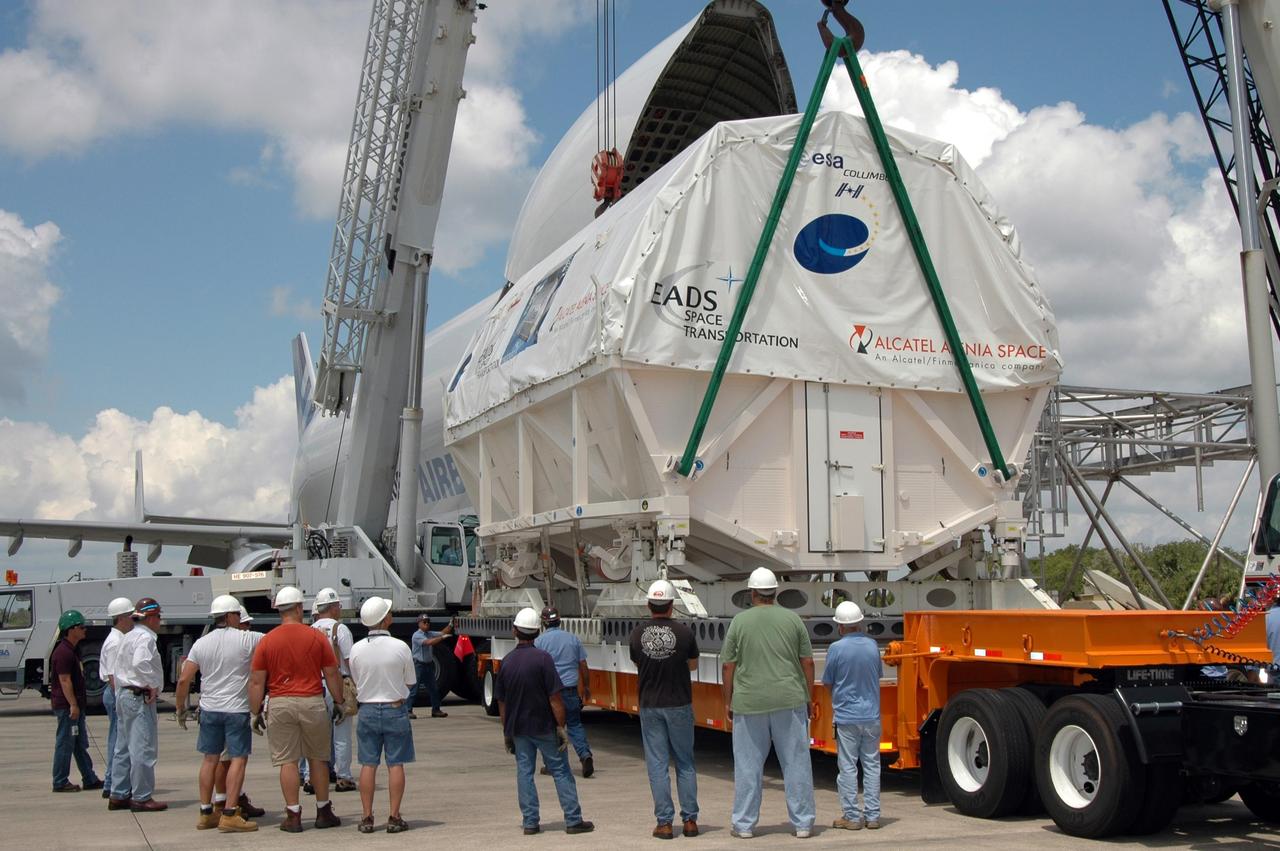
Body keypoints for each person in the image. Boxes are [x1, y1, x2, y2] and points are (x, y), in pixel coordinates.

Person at [722, 567, 816, 839]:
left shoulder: (739, 622)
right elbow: (807, 662)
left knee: (748, 767)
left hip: (749, 702)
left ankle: (744, 825)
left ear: (752, 593)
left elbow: (728, 666)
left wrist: (728, 701)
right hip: (789, 699)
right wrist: (808, 696)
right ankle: (803, 824)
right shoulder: (793, 620)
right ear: (775, 592)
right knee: (796, 764)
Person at [249, 586, 346, 833]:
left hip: (280, 703)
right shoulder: (316, 637)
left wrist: (254, 711)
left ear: (279, 610)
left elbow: (257, 680)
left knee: (288, 761)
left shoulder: (267, 641)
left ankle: (293, 815)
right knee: (318, 758)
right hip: (312, 702)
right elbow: (332, 672)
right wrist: (339, 701)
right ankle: (323, 811)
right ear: (299, 608)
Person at [496, 607, 594, 836]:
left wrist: (506, 731)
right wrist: (560, 728)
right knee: (561, 771)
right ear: (536, 631)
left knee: (524, 772)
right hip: (544, 726)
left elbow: (502, 702)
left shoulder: (507, 661)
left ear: (514, 631)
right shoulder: (543, 659)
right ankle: (573, 820)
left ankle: (530, 822)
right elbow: (555, 699)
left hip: (519, 728)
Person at [175, 595, 264, 832]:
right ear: (230, 616)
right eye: (238, 615)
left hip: (209, 709)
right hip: (236, 710)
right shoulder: (248, 639)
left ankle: (206, 812)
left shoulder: (201, 643)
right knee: (238, 758)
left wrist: (180, 707)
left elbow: (184, 678)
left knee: (209, 759)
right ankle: (230, 813)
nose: (240, 619)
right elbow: (278, 641)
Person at [628, 580, 700, 840]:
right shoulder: (684, 633)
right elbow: (692, 665)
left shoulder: (637, 634)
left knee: (657, 765)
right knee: (685, 762)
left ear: (649, 605)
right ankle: (690, 820)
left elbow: (637, 662)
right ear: (672, 605)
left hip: (650, 704)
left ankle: (665, 823)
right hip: (679, 702)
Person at [349, 597, 416, 833]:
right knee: (395, 764)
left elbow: (356, 680)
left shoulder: (356, 649)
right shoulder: (400, 647)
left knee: (368, 764)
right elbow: (410, 682)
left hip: (366, 708)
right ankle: (394, 816)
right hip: (394, 708)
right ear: (385, 619)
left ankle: (367, 817)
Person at [823, 601, 883, 831]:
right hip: (871, 715)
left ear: (840, 626)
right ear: (860, 623)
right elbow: (877, 675)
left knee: (847, 767)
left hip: (847, 716)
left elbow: (828, 682)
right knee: (872, 765)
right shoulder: (872, 646)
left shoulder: (836, 649)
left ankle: (852, 816)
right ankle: (873, 816)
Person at [110, 597, 167, 812]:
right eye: (159, 616)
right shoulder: (145, 638)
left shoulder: (128, 636)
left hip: (125, 695)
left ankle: (119, 793)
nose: (160, 621)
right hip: (138, 696)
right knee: (143, 748)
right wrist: (151, 684)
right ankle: (141, 797)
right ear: (151, 617)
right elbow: (140, 663)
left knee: (122, 747)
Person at [534, 606, 594, 777]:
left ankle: (554, 765)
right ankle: (585, 755)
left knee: (552, 729)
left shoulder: (539, 642)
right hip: (570, 691)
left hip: (551, 693)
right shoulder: (573, 639)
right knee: (575, 725)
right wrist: (587, 687)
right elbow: (583, 665)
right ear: (559, 620)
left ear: (544, 623)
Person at [49, 609, 103, 793]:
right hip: (67, 708)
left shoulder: (72, 650)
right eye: (81, 627)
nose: (84, 630)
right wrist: (72, 704)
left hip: (75, 706)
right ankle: (60, 781)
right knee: (65, 743)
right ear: (71, 630)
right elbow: (64, 681)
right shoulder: (63, 652)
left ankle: (89, 778)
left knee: (80, 744)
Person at [312, 587, 357, 793]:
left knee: (316, 735)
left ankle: (312, 776)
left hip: (314, 685)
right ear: (332, 608)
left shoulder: (310, 630)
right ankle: (344, 776)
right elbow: (349, 660)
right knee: (342, 733)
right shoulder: (341, 630)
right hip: (337, 683)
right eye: (338, 605)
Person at [97, 596, 135, 799]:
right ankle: (112, 781)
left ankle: (113, 781)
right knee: (118, 740)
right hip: (115, 693)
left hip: (115, 693)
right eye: (130, 616)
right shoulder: (115, 642)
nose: (132, 620)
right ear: (121, 618)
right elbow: (113, 676)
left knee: (119, 739)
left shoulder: (118, 638)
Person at [410, 614, 453, 719]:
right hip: (418, 665)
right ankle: (408, 710)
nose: (427, 624)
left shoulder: (429, 633)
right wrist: (442, 638)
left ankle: (436, 710)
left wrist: (451, 625)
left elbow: (443, 632)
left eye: (428, 622)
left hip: (428, 665)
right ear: (419, 623)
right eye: (424, 622)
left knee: (434, 689)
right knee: (414, 689)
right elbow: (429, 642)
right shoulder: (417, 635)